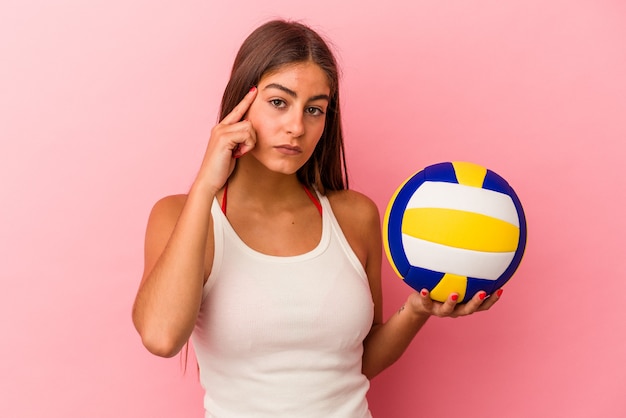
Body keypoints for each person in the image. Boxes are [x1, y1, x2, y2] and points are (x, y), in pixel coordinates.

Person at [132, 19, 502, 417]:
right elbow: (162, 337)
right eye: (279, 102)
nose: (296, 127)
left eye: (314, 110)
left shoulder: (354, 216)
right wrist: (205, 183)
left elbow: (354, 364)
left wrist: (416, 310)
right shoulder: (180, 216)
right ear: (241, 103)